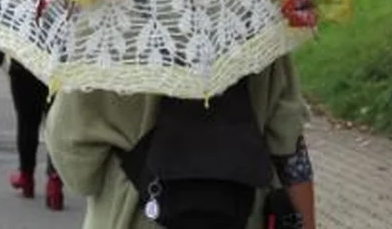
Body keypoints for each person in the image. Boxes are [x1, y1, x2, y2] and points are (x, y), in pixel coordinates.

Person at [44, 56, 317, 229]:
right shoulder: (254, 19)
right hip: (239, 213)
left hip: (132, 217)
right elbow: (289, 150)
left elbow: (79, 175)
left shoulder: (102, 36)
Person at [0, 48, 64, 211]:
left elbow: (8, 28)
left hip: (25, 67)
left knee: (27, 124)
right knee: (57, 126)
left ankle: (26, 177)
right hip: (57, 68)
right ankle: (55, 181)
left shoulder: (26, 20)